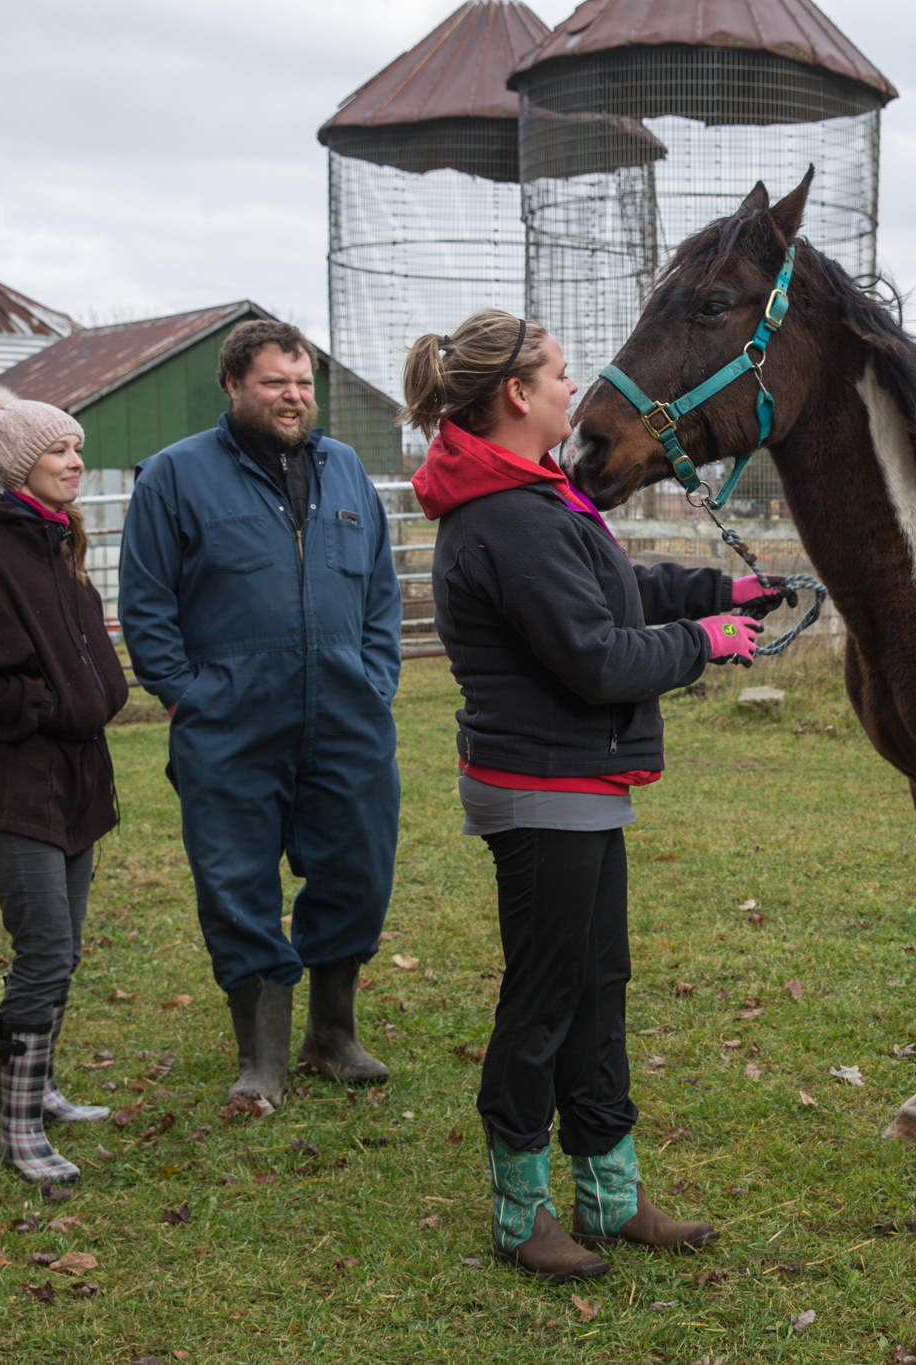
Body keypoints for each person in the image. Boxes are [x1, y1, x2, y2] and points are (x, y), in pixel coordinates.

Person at [409, 309, 793, 1282]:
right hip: (541, 789)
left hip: (575, 783)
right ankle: (518, 1209)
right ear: (515, 395)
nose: (571, 390)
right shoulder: (505, 517)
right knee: (544, 999)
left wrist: (715, 593)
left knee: (595, 987)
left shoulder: (534, 496)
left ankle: (610, 1193)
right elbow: (595, 658)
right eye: (558, 374)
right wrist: (706, 645)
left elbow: (614, 588)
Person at [118, 320, 401, 1108]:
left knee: (357, 870)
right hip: (230, 723)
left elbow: (381, 592)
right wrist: (189, 693)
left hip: (346, 715)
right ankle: (261, 1058)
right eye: (276, 382)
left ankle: (333, 1033)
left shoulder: (346, 471)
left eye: (303, 383)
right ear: (232, 384)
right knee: (235, 882)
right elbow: (146, 604)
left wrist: (375, 678)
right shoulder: (174, 477)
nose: (293, 396)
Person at [0, 386, 130, 1184]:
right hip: (13, 786)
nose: (75, 462)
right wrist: (50, 706)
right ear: (17, 465)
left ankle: (38, 1088)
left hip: (75, 782)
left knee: (64, 947)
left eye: (77, 448)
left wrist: (95, 694)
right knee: (43, 949)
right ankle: (16, 1128)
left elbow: (86, 657)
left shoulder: (59, 544)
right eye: (58, 450)